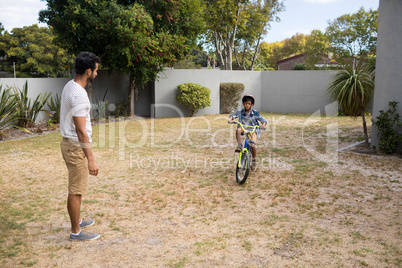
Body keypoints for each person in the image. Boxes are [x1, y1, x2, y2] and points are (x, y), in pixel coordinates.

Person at [60, 51, 100, 241]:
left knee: (78, 187)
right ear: (88, 71)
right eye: (95, 70)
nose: (96, 74)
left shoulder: (70, 86)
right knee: (76, 190)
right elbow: (81, 130)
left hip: (70, 145)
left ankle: (78, 219)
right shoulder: (78, 95)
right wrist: (90, 159)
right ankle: (76, 231)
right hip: (75, 147)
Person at [228, 94, 267, 171]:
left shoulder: (255, 113)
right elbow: (233, 115)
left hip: (252, 130)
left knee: (252, 145)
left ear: (251, 105)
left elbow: (263, 120)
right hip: (244, 128)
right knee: (238, 130)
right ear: (243, 104)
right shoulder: (240, 112)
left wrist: (263, 125)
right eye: (246, 103)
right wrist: (230, 119)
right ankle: (239, 145)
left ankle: (254, 160)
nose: (247, 105)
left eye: (249, 104)